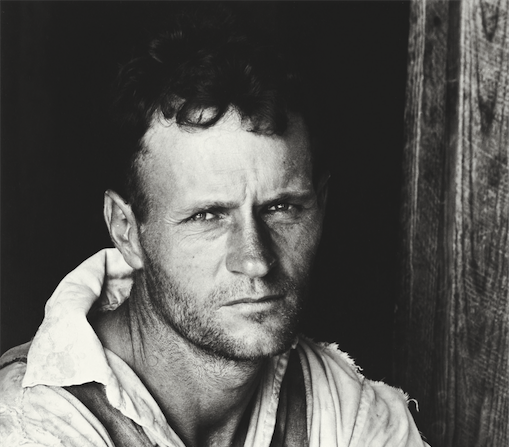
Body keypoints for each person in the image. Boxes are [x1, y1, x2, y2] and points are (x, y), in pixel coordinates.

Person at [0, 8, 429, 447]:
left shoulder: (348, 412)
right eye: (208, 216)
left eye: (281, 207)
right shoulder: (32, 427)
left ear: (321, 206)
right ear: (127, 231)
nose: (255, 260)